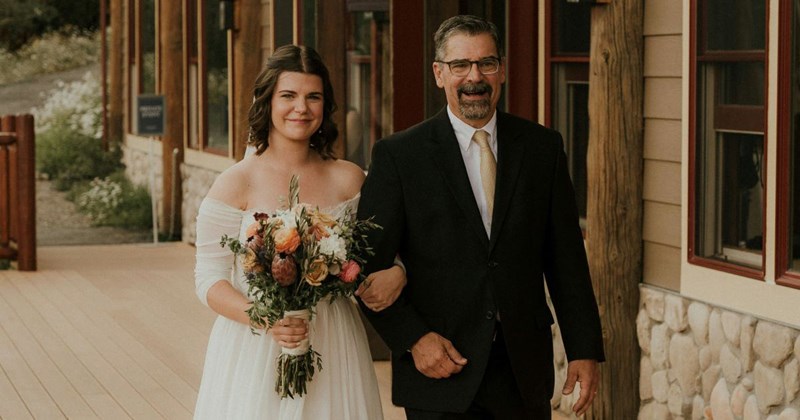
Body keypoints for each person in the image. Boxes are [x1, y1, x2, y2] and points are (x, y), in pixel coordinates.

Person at [357, 15, 605, 419]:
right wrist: (414, 339)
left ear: (502, 70)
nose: (475, 76)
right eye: (460, 65)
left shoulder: (542, 148)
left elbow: (566, 259)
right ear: (439, 74)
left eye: (486, 63)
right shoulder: (400, 156)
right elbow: (363, 268)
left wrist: (584, 349)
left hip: (522, 371)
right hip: (440, 367)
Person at [193, 44, 406, 420]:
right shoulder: (234, 182)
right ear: (267, 102)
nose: (301, 108)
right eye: (288, 96)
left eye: (314, 97)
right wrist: (264, 317)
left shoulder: (350, 179)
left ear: (326, 106)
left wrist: (399, 272)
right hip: (255, 343)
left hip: (333, 338)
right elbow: (207, 279)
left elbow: (386, 253)